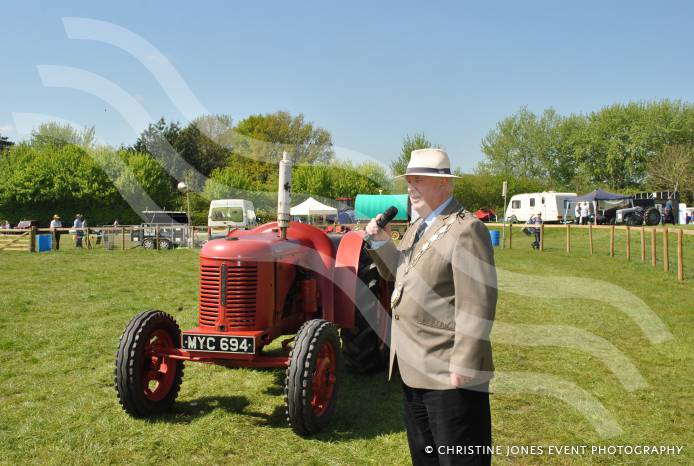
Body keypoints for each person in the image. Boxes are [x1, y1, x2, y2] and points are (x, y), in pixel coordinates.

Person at [366, 148, 497, 466]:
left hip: (448, 374)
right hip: (414, 367)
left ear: (445, 185)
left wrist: (464, 364)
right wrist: (381, 243)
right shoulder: (417, 226)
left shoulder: (466, 230)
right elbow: (403, 275)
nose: (411, 187)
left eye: (419, 180)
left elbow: (478, 302)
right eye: (409, 180)